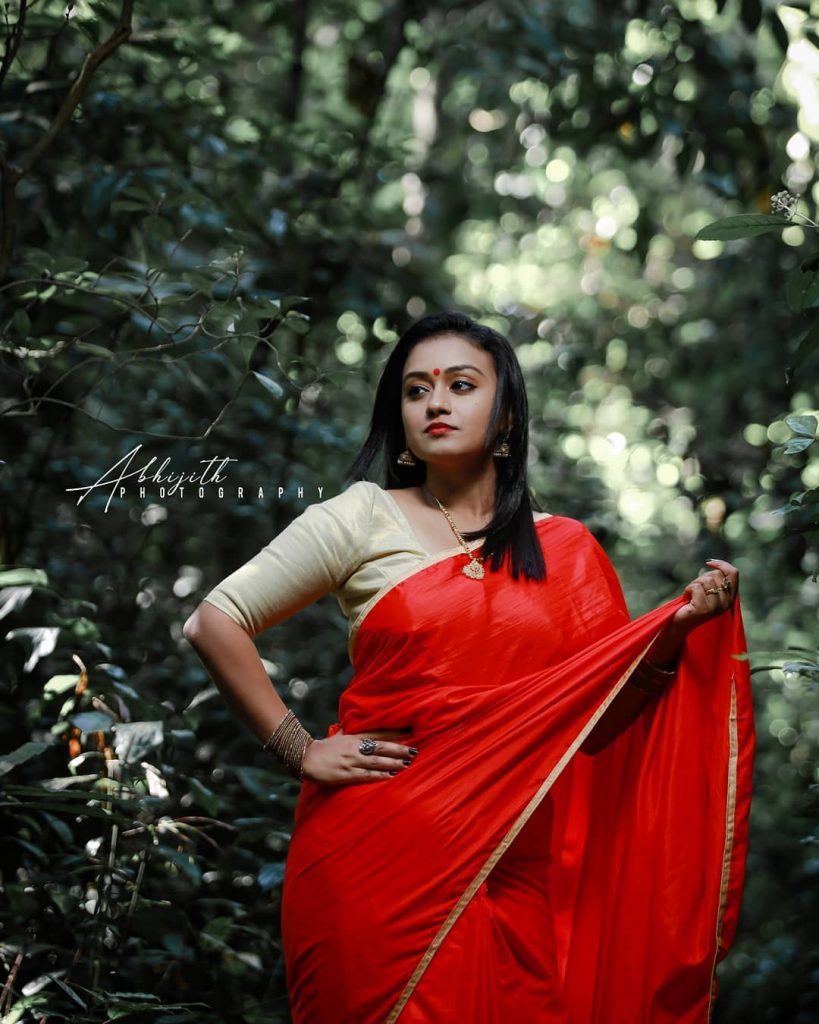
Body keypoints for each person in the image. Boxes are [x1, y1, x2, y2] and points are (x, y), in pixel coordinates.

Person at [183, 311, 754, 1024]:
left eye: (460, 385)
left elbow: (597, 728)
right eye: (416, 390)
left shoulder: (565, 551)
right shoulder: (362, 517)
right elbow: (214, 621)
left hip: (513, 862)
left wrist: (675, 634)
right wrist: (299, 748)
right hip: (375, 851)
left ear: (506, 415)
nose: (435, 403)